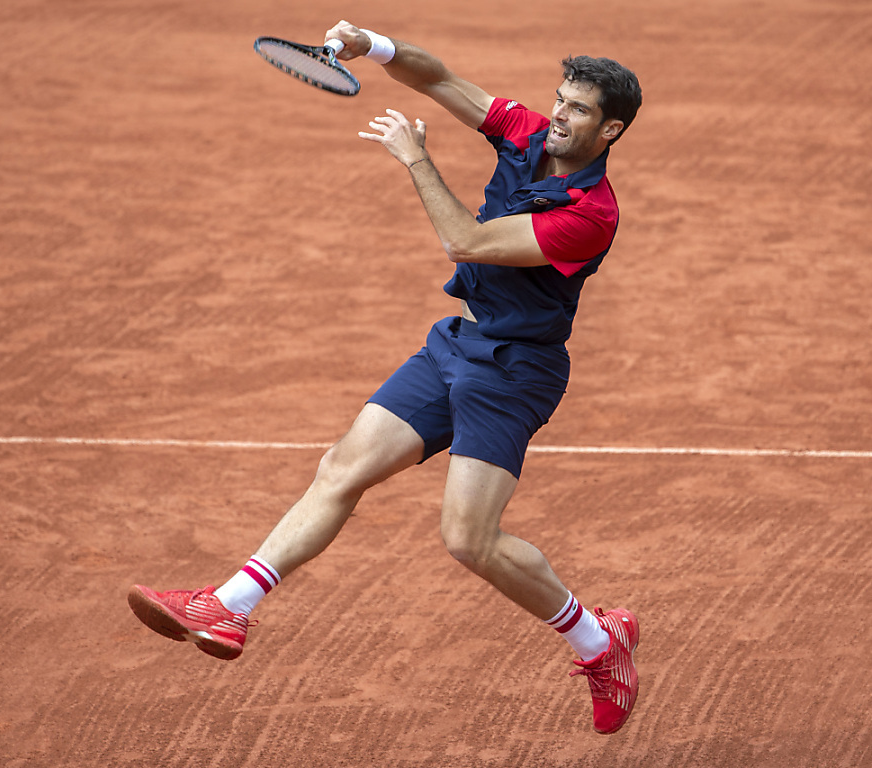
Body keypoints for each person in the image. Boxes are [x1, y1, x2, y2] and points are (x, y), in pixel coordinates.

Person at [128, 21, 643, 735]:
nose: (558, 115)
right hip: (456, 345)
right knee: (341, 467)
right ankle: (228, 606)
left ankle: (598, 642)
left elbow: (467, 241)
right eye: (559, 100)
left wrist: (415, 159)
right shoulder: (527, 132)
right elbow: (438, 79)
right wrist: (372, 45)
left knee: (469, 540)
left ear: (610, 129)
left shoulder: (591, 214)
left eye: (579, 110)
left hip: (516, 373)